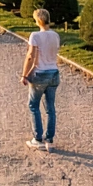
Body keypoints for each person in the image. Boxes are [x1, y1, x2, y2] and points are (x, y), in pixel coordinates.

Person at [22, 8, 60, 152]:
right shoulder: (56, 35)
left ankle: (37, 139)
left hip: (40, 74)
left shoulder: (35, 35)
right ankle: (49, 140)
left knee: (33, 105)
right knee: (50, 108)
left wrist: (24, 74)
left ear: (37, 20)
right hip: (54, 73)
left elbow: (31, 56)